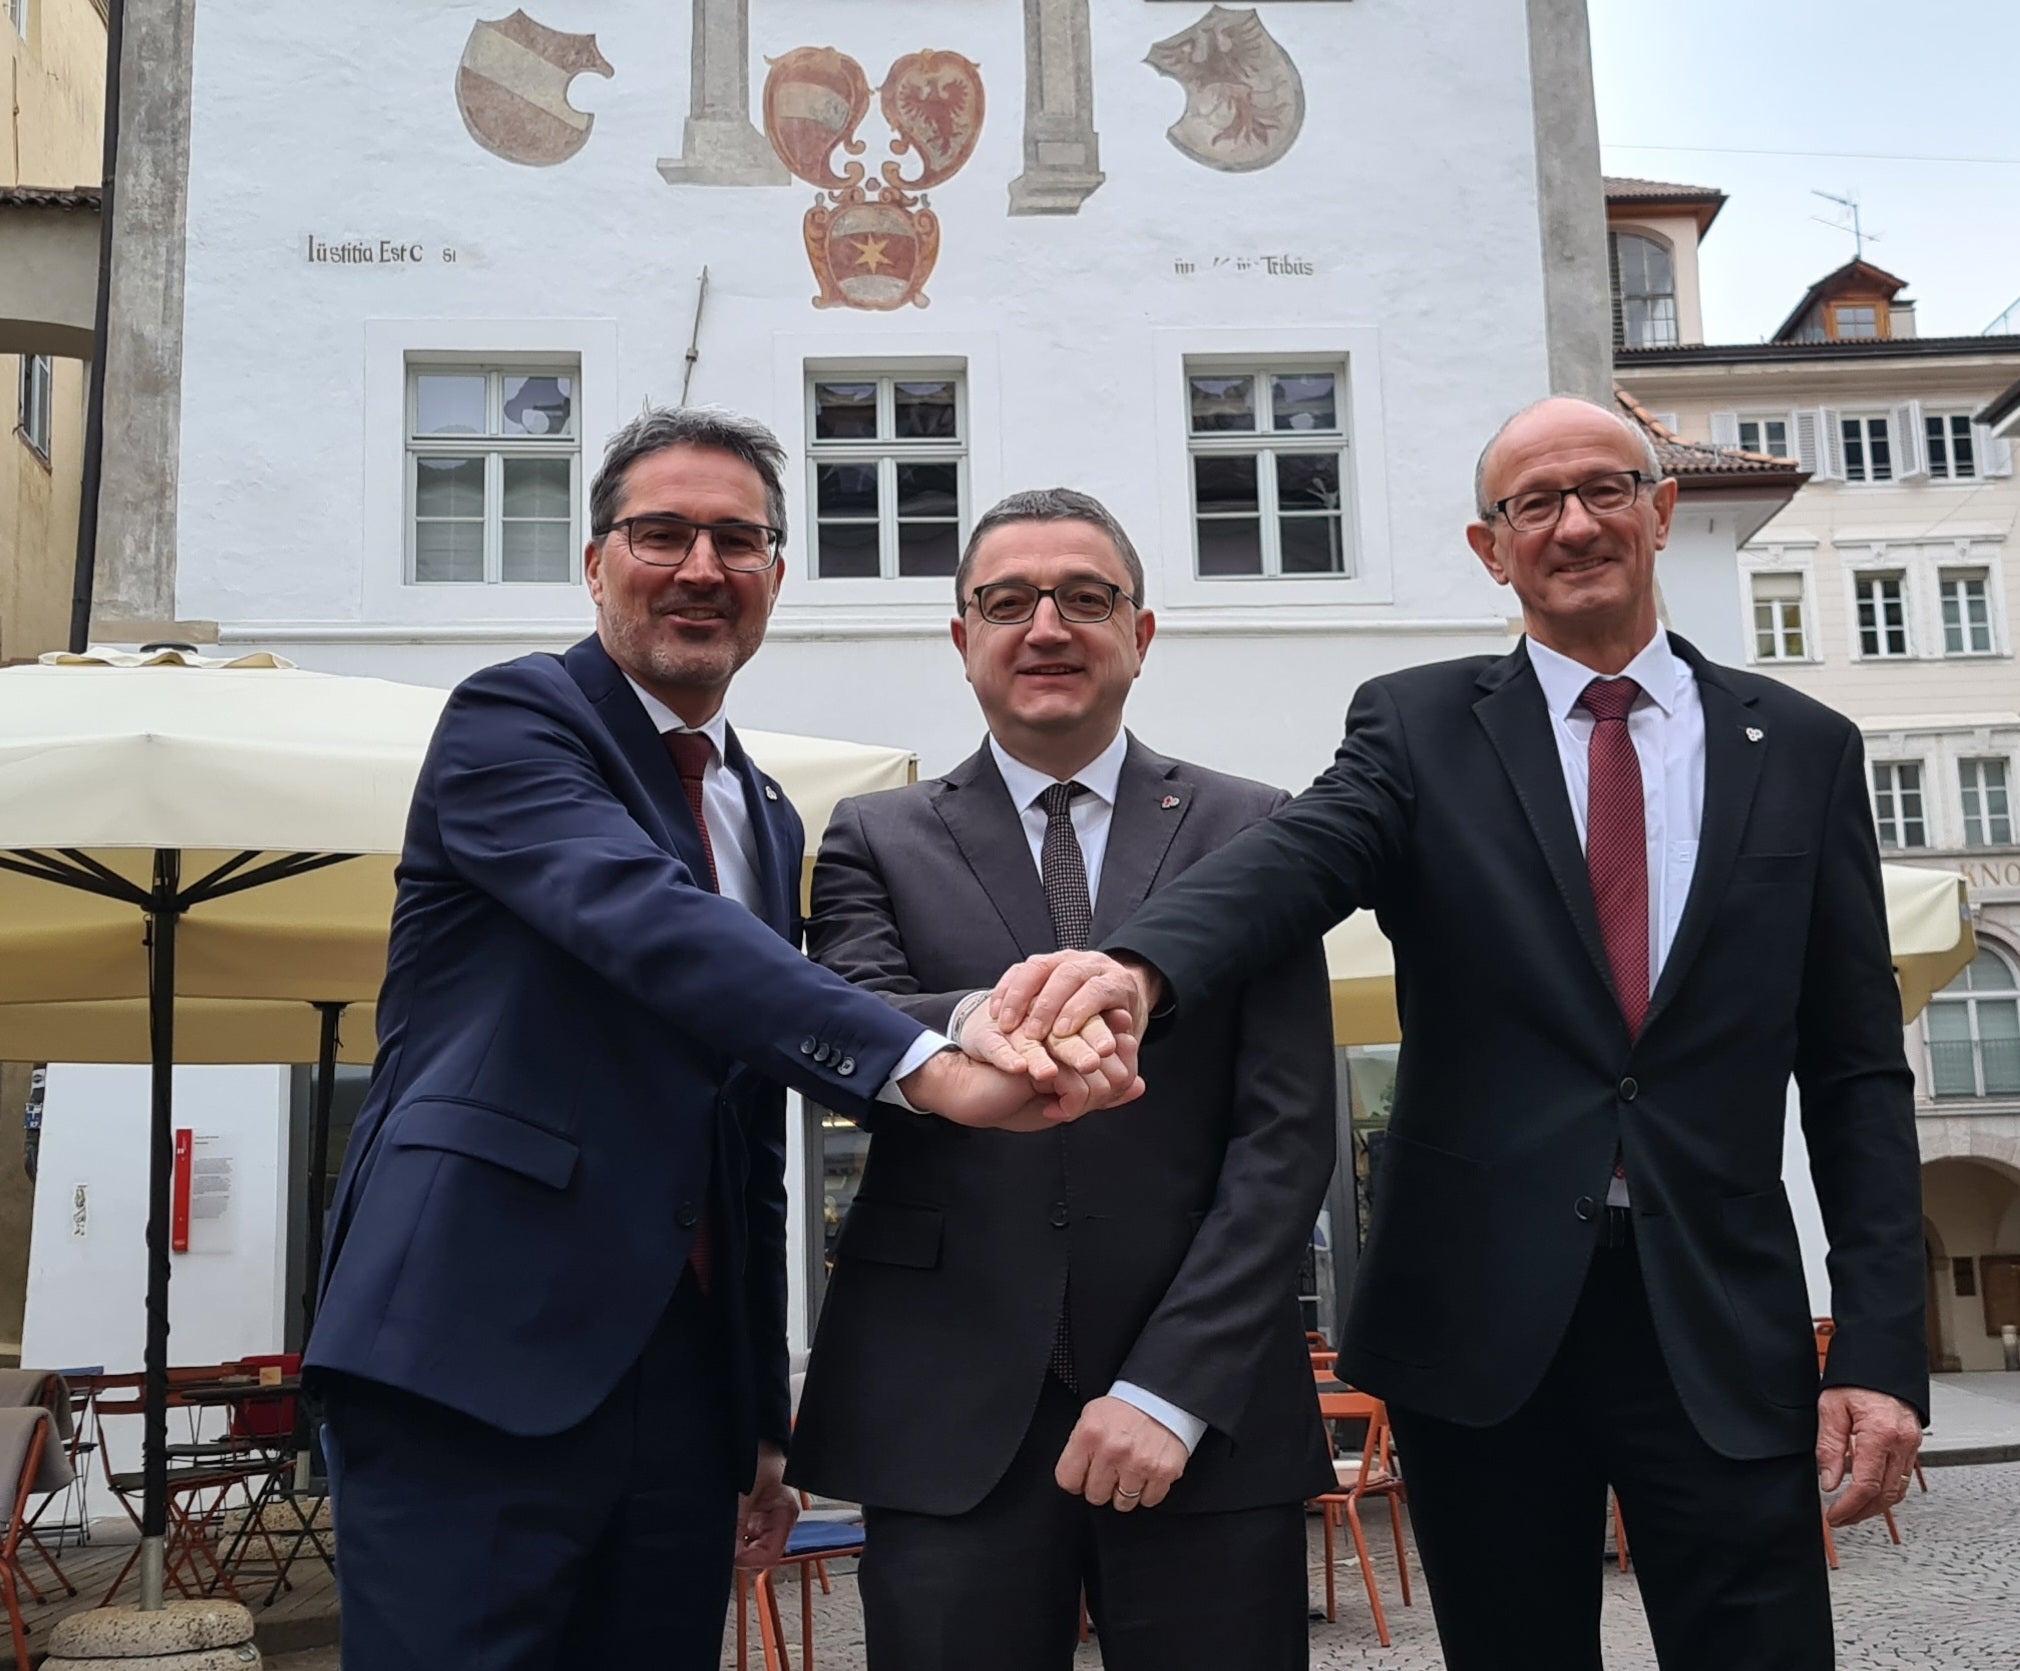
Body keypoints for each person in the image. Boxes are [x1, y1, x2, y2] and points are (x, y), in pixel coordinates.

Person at [991, 398, 1929, 1670]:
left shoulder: (1802, 747)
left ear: (1660, 510)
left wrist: (1877, 1348)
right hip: (1478, 1326)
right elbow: (1298, 859)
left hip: (1716, 1318)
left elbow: (1857, 1071)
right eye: (1532, 504)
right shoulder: (1419, 726)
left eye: (1604, 489)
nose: (1574, 523)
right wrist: (1140, 968)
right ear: (1491, 551)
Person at [305, 410, 1137, 1670]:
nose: (701, 566)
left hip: (677, 1397)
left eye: (737, 540)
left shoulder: (761, 807)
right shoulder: (515, 721)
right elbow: (648, 924)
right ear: (595, 564)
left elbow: (738, 1128)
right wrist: (931, 1065)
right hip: (469, 1349)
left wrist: (755, 1415)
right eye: (662, 533)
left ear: (775, 580)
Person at [790, 489, 1337, 1671]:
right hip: (942, 1409)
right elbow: (843, 1027)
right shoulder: (871, 835)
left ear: (1140, 635)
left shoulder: (1256, 831)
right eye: (1006, 602)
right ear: (961, 640)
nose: (1046, 625)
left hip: (1200, 1410)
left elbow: (1286, 1138)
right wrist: (977, 1024)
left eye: (1085, 599)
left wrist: (1171, 1389)